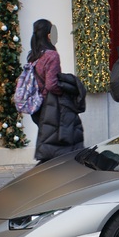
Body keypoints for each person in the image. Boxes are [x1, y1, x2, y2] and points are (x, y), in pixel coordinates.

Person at [27, 19, 85, 163]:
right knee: (57, 142)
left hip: (37, 105)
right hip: (49, 106)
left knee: (48, 140)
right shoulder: (52, 55)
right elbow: (51, 84)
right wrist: (64, 91)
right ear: (48, 35)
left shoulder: (34, 55)